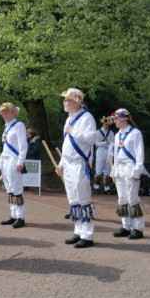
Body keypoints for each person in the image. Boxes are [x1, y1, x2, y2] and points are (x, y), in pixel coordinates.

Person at [56, 88, 97, 249]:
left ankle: (88, 236)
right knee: (73, 200)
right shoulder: (69, 119)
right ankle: (78, 231)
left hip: (80, 163)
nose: (64, 103)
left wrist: (73, 131)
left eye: (66, 100)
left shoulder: (87, 118)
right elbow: (66, 146)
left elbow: (91, 139)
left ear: (76, 102)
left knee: (83, 199)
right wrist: (61, 163)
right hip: (68, 163)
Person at [110, 109, 146, 239]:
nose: (114, 122)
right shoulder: (117, 135)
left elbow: (139, 153)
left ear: (124, 119)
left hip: (131, 168)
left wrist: (138, 171)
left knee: (132, 198)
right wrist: (113, 171)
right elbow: (115, 154)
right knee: (122, 199)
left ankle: (138, 228)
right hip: (120, 169)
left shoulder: (135, 133)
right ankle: (125, 226)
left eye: (116, 119)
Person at [0, 102, 28, 228]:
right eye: (3, 113)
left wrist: (20, 161)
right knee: (9, 188)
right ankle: (13, 214)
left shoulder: (19, 125)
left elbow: (23, 145)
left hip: (14, 159)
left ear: (14, 112)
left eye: (7, 112)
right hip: (5, 160)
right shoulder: (6, 127)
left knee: (16, 188)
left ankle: (20, 216)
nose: (5, 114)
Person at [94, 116, 115, 195]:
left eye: (108, 124)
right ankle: (96, 187)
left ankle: (107, 188)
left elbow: (113, 142)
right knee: (98, 169)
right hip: (100, 150)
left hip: (108, 151)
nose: (107, 125)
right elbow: (96, 143)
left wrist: (110, 144)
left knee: (107, 169)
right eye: (106, 124)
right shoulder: (98, 132)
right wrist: (104, 143)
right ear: (103, 123)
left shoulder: (111, 133)